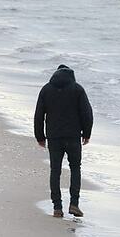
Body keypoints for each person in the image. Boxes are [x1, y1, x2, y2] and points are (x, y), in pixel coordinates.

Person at [34, 64, 93, 218]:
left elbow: (39, 115)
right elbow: (87, 113)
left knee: (55, 170)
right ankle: (74, 204)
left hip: (54, 137)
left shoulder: (46, 90)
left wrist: (40, 136)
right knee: (75, 168)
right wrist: (87, 133)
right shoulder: (77, 90)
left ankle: (57, 207)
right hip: (73, 136)